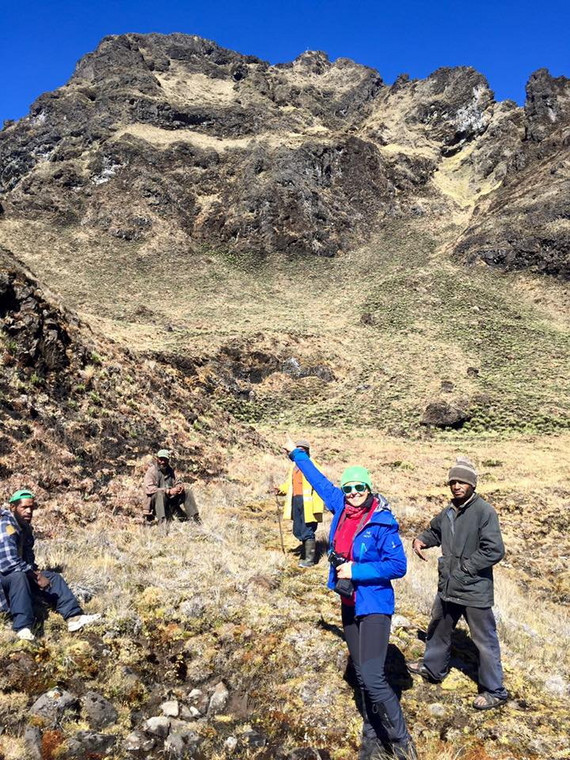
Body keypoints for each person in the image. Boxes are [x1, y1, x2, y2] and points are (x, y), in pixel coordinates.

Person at [283, 438, 416, 760]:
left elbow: (398, 566)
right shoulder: (341, 507)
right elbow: (319, 481)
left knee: (372, 675)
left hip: (374, 604)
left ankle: (402, 742)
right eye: (349, 488)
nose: (353, 493)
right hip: (348, 603)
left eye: (359, 487)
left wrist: (357, 570)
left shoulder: (383, 522)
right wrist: (297, 455)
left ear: (369, 489)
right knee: (359, 672)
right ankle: (372, 735)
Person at [407, 457, 508, 711]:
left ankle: (494, 690)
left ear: (472, 484)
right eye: (453, 481)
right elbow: (436, 532)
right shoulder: (449, 511)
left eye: (462, 481)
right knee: (438, 628)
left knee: (484, 641)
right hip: (448, 586)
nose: (456, 486)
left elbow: (494, 550)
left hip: (474, 589)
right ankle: (433, 668)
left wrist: (466, 568)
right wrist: (421, 540)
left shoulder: (484, 511)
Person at [0, 489, 101, 642]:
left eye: (31, 508)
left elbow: (27, 560)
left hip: (16, 574)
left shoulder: (25, 528)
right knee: (19, 576)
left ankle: (74, 617)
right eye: (24, 507)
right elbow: (7, 562)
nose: (29, 511)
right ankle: (22, 627)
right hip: (5, 577)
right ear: (13, 508)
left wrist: (36, 573)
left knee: (53, 577)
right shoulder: (6, 525)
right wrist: (35, 576)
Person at [275, 438, 324, 567]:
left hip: (309, 504)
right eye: (298, 450)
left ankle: (309, 560)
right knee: (299, 529)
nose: (299, 453)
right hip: (296, 501)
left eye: (302, 450)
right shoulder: (294, 466)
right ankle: (304, 554)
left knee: (308, 529)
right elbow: (289, 484)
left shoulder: (312, 465)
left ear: (307, 452)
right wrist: (280, 490)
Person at [143, 449, 199, 523]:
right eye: (161, 459)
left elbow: (177, 481)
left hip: (169, 501)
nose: (163, 462)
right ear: (157, 459)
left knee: (187, 492)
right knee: (160, 494)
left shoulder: (170, 470)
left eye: (165, 459)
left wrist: (179, 487)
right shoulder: (151, 471)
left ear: (168, 460)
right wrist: (168, 491)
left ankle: (195, 518)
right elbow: (149, 489)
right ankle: (162, 525)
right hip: (155, 503)